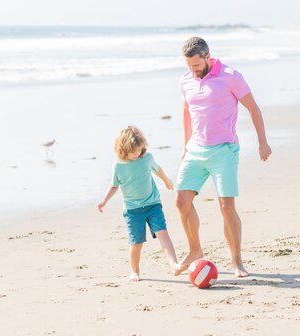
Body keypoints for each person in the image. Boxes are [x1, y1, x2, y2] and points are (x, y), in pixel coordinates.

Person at [175, 37, 272, 278]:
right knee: (181, 201)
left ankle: (237, 261)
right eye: (189, 66)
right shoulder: (186, 80)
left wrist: (263, 143)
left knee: (226, 207)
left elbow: (253, 108)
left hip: (224, 151)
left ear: (208, 56)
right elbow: (187, 110)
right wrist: (185, 144)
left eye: (197, 65)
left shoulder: (230, 76)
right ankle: (195, 250)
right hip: (195, 149)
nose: (193, 70)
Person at [97, 126, 180, 282]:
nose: (137, 154)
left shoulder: (147, 158)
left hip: (153, 204)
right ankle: (134, 271)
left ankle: (174, 264)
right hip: (132, 210)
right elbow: (114, 185)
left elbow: (158, 170)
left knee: (163, 232)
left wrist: (166, 180)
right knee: (136, 243)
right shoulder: (118, 166)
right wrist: (104, 200)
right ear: (123, 149)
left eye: (140, 150)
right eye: (133, 151)